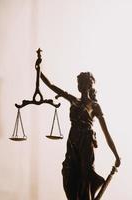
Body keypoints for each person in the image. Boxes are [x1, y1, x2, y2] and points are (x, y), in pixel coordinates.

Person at [40, 71, 121, 200]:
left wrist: (116, 155)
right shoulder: (73, 99)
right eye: (78, 82)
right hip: (72, 140)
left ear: (89, 85)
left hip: (85, 142)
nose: (79, 85)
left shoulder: (95, 106)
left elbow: (106, 134)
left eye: (81, 82)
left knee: (85, 176)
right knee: (68, 172)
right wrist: (39, 70)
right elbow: (51, 85)